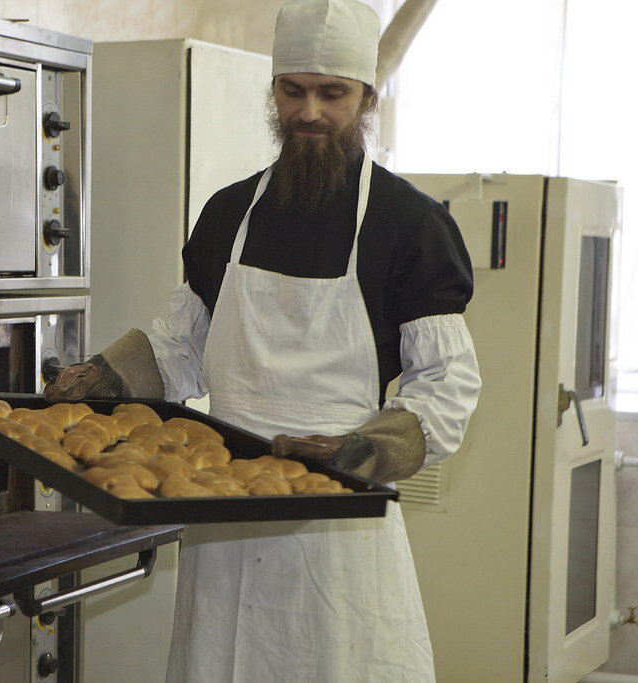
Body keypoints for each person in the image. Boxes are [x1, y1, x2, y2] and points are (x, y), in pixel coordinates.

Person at [46, 0, 481, 679]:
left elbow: (447, 384)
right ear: (274, 91)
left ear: (368, 97)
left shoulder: (411, 226)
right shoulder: (228, 213)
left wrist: (362, 450)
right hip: (223, 509)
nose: (309, 112)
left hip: (339, 524)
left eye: (331, 94)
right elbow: (180, 349)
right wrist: (106, 375)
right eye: (292, 90)